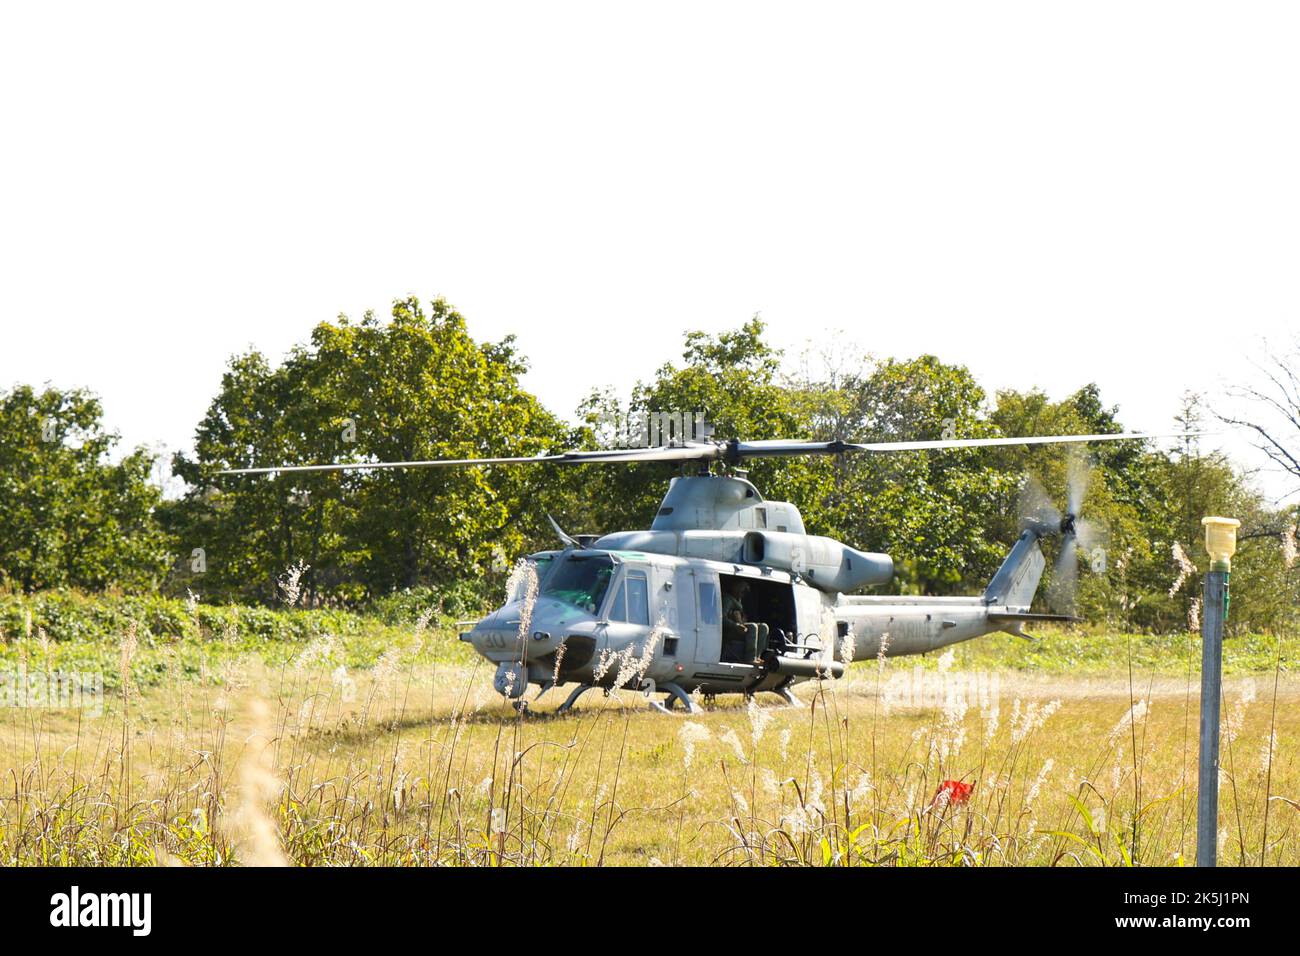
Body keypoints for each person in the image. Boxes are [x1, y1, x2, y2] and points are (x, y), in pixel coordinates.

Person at [722, 579, 767, 664]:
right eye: (742, 591)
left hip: (739, 627)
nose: (743, 594)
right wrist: (735, 625)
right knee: (752, 627)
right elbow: (722, 618)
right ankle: (750, 658)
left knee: (763, 627)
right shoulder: (728, 599)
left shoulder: (738, 601)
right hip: (730, 630)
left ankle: (757, 656)